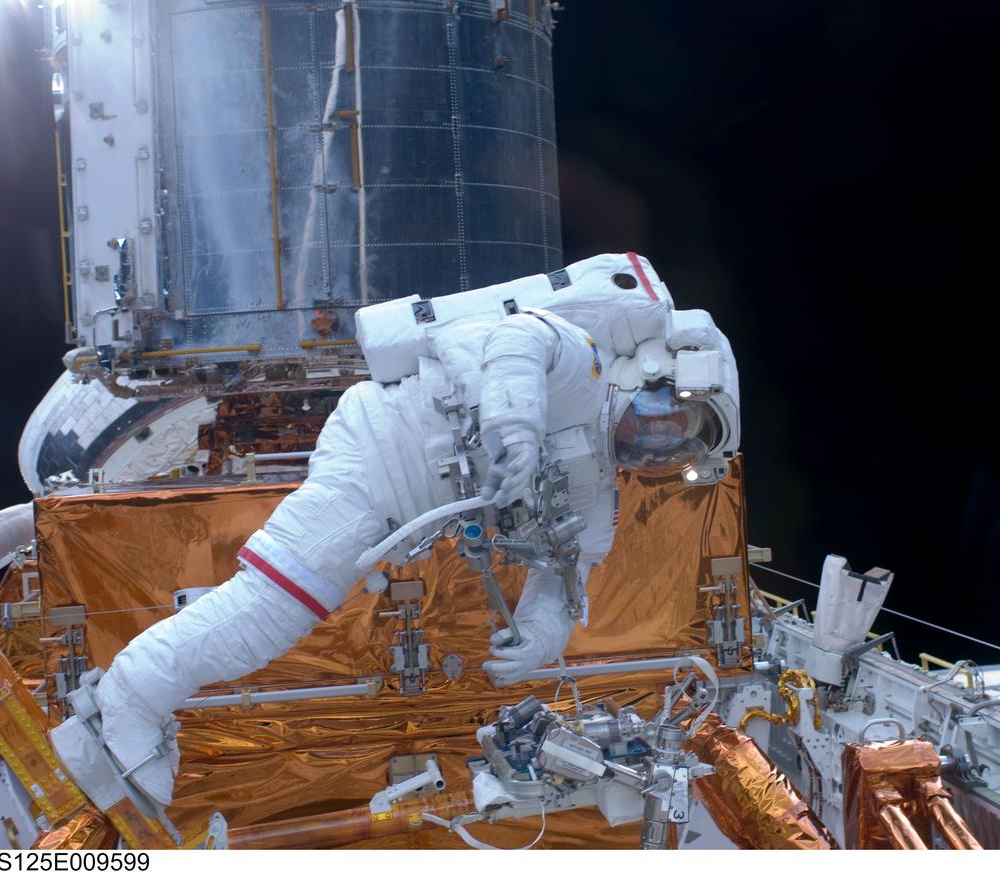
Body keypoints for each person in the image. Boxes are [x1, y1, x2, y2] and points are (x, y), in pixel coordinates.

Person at [95, 253, 739, 806]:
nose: (654, 446)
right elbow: (518, 339)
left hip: (400, 504)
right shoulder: (585, 366)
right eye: (660, 421)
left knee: (272, 615)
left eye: (675, 447)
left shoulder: (595, 483)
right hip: (376, 455)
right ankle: (133, 693)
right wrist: (514, 423)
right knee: (272, 609)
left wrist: (539, 640)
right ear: (650, 378)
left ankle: (148, 693)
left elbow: (570, 569)